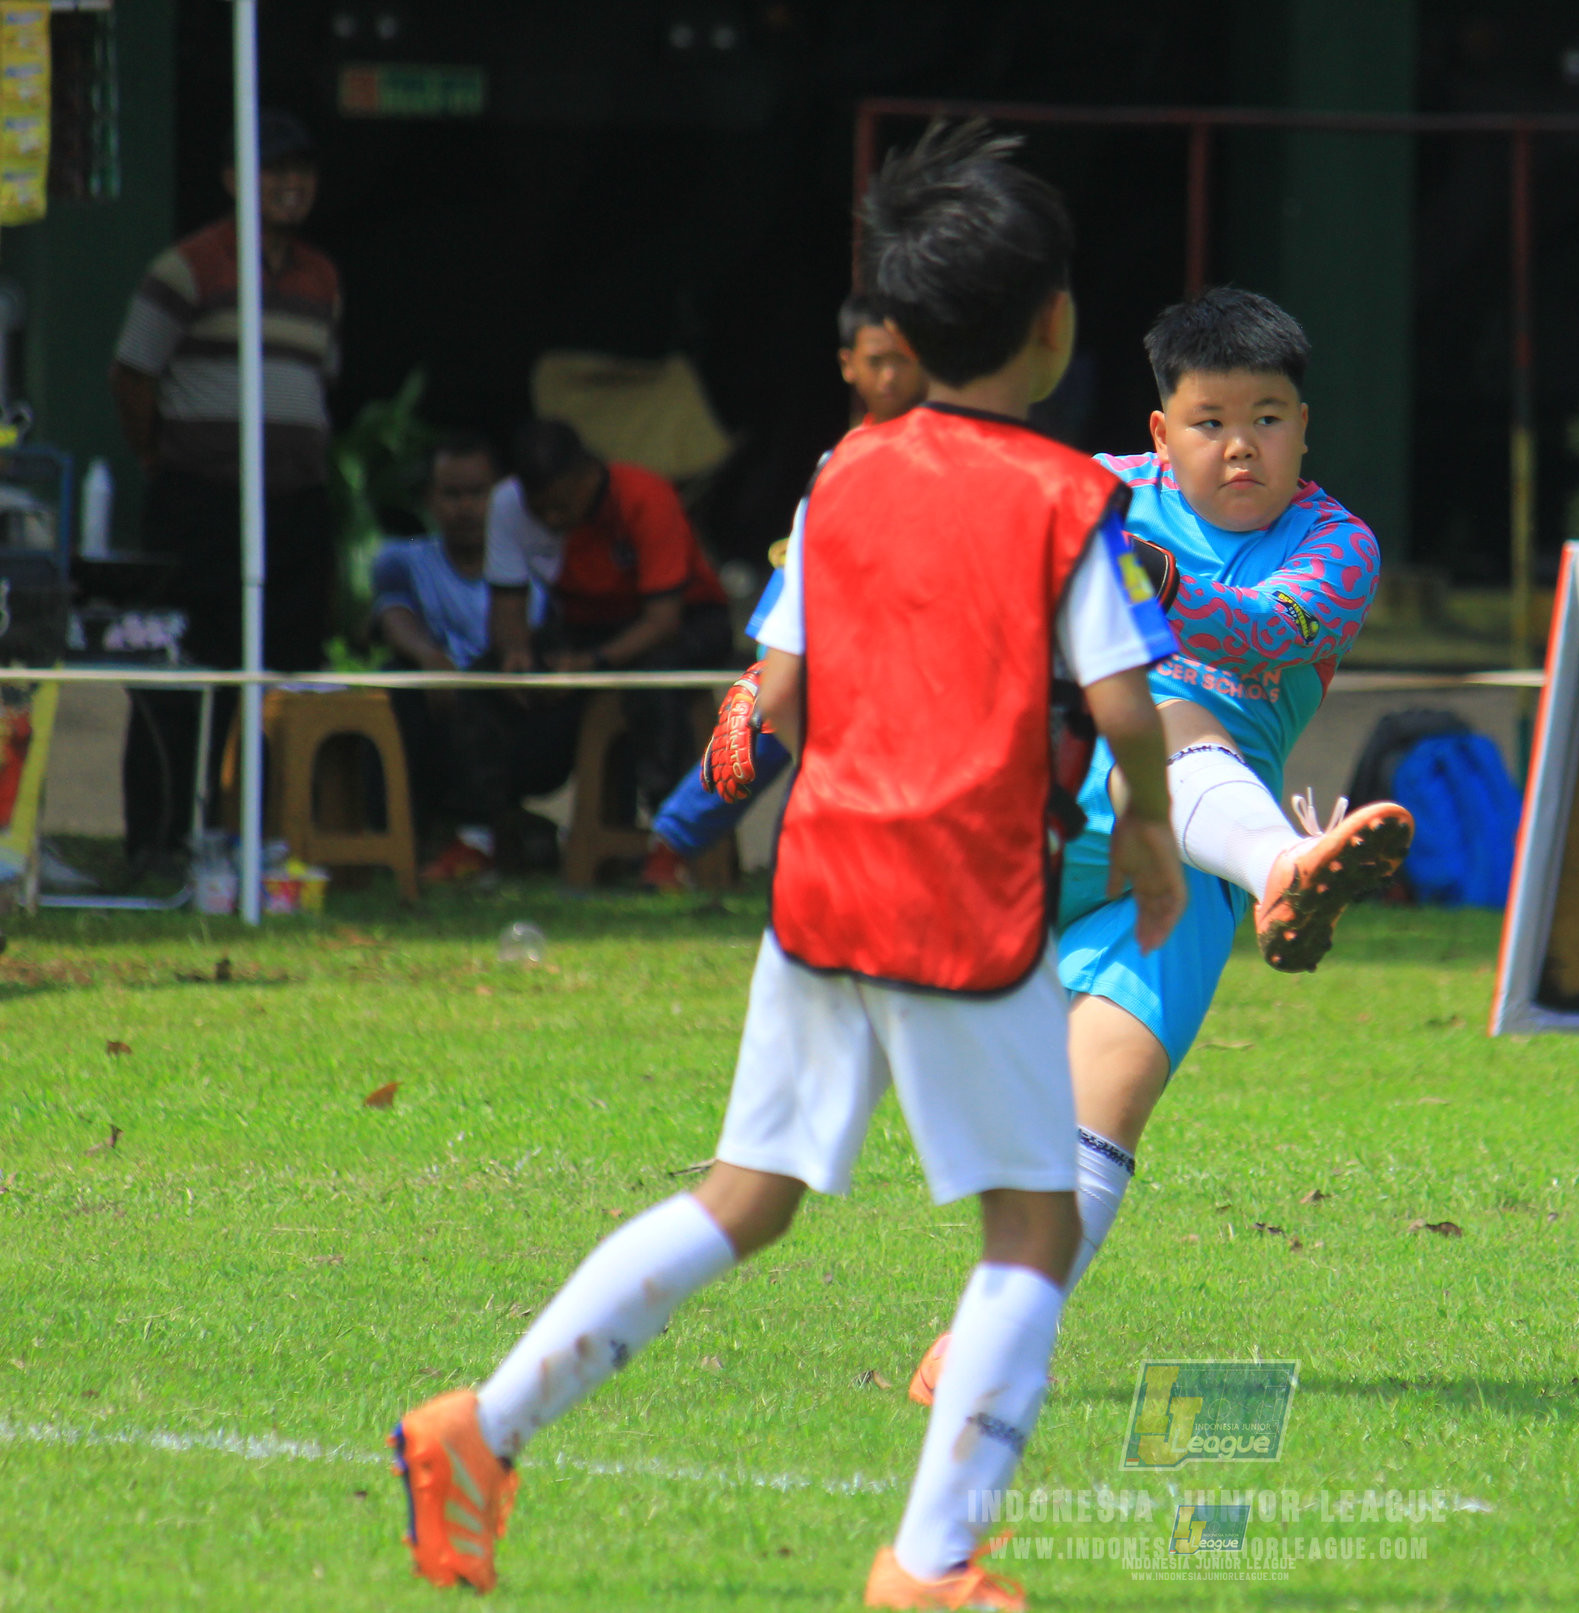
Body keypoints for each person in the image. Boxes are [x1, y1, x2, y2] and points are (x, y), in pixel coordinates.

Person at [393, 121, 1186, 1608]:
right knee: (1031, 1224)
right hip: (967, 903)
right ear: (1056, 325)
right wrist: (1144, 823)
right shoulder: (1066, 500)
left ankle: (477, 1431)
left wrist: (690, 816)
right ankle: (930, 1565)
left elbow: (774, 699)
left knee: (741, 1198)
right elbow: (1128, 701)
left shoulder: (842, 480)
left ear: (898, 330)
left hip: (822, 890)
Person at [886, 287, 1415, 1403]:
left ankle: (987, 1337)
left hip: (1183, 857)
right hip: (1041, 811)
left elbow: (1270, 627)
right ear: (1159, 430)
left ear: (1305, 429)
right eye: (1211, 419)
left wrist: (1148, 577)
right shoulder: (1098, 488)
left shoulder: (1334, 544)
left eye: (1268, 417)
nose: (1240, 446)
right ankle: (1287, 871)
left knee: (1106, 1101)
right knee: (1146, 704)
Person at [108, 108, 339, 869]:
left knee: (280, 671)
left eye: (300, 172)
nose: (289, 187)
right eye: (273, 171)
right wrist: (161, 456)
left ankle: (260, 838)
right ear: (235, 180)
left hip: (293, 505)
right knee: (181, 667)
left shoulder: (320, 276)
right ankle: (158, 838)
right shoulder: (187, 266)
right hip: (202, 501)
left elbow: (317, 382)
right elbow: (132, 375)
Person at [638, 295, 928, 890]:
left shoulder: (955, 453)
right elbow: (799, 578)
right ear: (849, 364)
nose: (891, 375)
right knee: (760, 710)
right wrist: (771, 670)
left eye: (903, 359)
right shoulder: (837, 465)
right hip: (833, 644)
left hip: (917, 652)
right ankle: (670, 846)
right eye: (877, 360)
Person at [421, 419, 730, 878]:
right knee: (481, 682)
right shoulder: (508, 506)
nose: (552, 520)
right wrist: (516, 655)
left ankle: (671, 844)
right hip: (584, 626)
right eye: (540, 510)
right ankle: (479, 836)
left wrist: (593, 664)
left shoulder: (645, 497)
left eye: (562, 506)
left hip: (682, 622)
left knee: (652, 684)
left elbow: (662, 621)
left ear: (586, 476)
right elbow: (507, 606)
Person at [368, 435, 542, 865]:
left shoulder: (539, 562)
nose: (464, 507)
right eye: (451, 494)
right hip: (436, 710)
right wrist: (429, 658)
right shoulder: (400, 559)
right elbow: (393, 615)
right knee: (392, 682)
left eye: (477, 493)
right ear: (429, 499)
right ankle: (392, 843)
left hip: (519, 712)